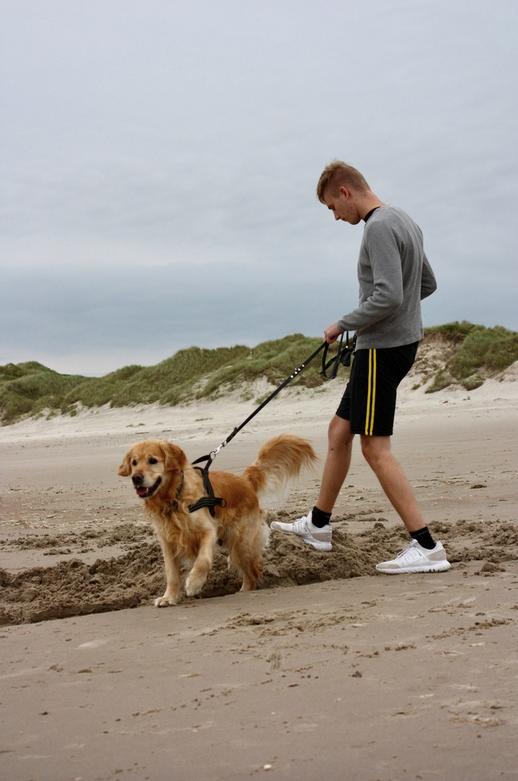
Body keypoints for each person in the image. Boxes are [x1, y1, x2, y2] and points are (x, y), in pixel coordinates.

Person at [271, 160, 450, 574]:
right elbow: (426, 285)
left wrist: (344, 324)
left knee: (375, 447)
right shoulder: (405, 221)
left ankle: (426, 545)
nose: (335, 216)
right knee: (339, 431)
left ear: (345, 192)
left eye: (333, 207)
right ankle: (318, 526)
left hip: (382, 350)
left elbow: (388, 296)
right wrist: (394, 317)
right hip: (392, 343)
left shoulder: (379, 227)